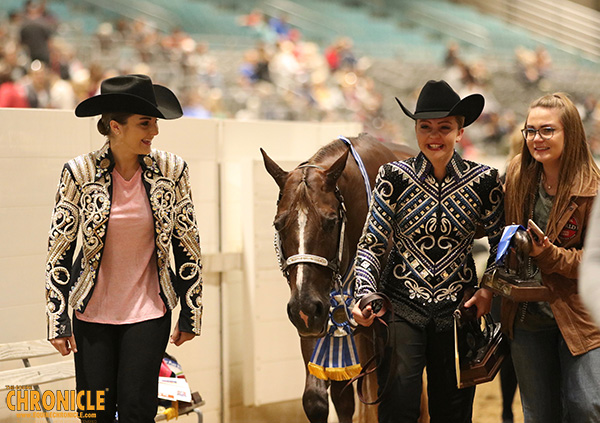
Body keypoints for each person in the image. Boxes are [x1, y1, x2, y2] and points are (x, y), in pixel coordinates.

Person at [45, 74, 203, 422]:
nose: (155, 132)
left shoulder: (173, 171)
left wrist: (192, 312)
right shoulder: (78, 172)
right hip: (90, 315)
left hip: (149, 312)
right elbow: (59, 249)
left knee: (137, 410)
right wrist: (57, 320)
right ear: (115, 126)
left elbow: (187, 244)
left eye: (155, 122)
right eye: (145, 123)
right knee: (93, 413)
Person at [352, 80, 504, 423]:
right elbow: (371, 245)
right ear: (416, 129)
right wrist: (363, 294)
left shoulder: (485, 181)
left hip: (458, 310)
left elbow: (500, 245)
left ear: (460, 131)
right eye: (425, 127)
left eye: (444, 127)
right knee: (399, 408)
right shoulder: (393, 177)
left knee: (453, 411)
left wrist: (487, 289)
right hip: (401, 306)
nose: (434, 135)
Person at [502, 92, 600, 422]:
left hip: (581, 316)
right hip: (527, 315)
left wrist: (551, 255)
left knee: (586, 407)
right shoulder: (517, 174)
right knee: (539, 414)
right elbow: (502, 237)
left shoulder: (594, 187)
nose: (536, 139)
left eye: (547, 130)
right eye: (530, 131)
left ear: (569, 134)